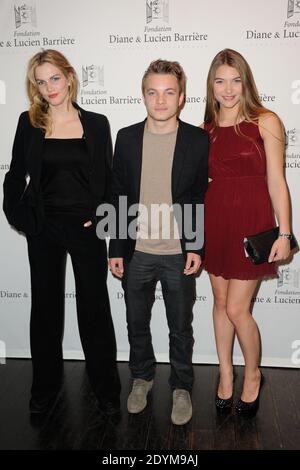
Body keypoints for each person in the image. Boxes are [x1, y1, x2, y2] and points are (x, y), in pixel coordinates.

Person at [3, 49, 121, 416]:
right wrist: (20, 217)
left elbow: (110, 182)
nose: (48, 87)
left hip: (85, 228)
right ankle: (45, 390)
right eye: (40, 81)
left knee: (95, 309)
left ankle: (106, 389)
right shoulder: (29, 122)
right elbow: (14, 176)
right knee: (46, 311)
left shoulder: (98, 123)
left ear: (70, 77)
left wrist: (103, 221)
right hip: (44, 228)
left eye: (54, 78)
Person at [109, 59, 209, 426]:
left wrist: (196, 245)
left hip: (177, 253)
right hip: (136, 253)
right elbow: (118, 193)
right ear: (143, 95)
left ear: (182, 97)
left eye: (169, 92)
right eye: (153, 92)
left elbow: (198, 195)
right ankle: (142, 378)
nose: (161, 100)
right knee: (137, 322)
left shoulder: (197, 140)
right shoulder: (127, 137)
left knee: (180, 326)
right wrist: (116, 248)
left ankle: (181, 386)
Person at [201, 49, 292, 414]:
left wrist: (284, 234)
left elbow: (276, 181)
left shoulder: (266, 120)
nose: (228, 89)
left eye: (235, 80)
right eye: (220, 80)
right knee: (221, 304)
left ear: (246, 81)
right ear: (211, 84)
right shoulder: (204, 128)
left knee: (238, 308)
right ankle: (226, 374)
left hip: (251, 221)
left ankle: (252, 374)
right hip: (215, 220)